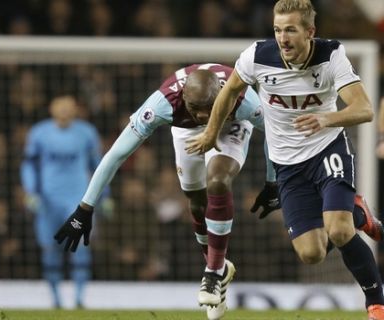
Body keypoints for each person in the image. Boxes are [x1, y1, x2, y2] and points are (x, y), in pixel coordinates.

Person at [185, 1, 384, 319]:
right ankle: (359, 214)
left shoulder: (331, 55)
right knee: (311, 254)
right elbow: (229, 91)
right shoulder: (257, 56)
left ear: (310, 32)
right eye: (278, 30)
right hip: (288, 166)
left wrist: (326, 119)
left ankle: (376, 303)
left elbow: (365, 109)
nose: (282, 38)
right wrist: (210, 134)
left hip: (327, 151)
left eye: (290, 29)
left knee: (339, 231)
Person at [53, 63, 281, 320]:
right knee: (196, 202)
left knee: (217, 180)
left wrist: (272, 182)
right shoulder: (163, 103)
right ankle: (217, 267)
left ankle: (214, 273)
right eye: (197, 108)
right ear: (184, 98)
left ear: (220, 92)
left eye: (209, 107)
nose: (205, 116)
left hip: (230, 122)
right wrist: (85, 208)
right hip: (186, 131)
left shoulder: (242, 99)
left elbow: (276, 134)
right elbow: (116, 154)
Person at [20, 95, 103, 308]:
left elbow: (99, 166)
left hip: (78, 201)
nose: (65, 110)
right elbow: (29, 165)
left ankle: (79, 299)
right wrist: (31, 192)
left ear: (75, 109)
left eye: (69, 107)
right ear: (52, 109)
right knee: (50, 249)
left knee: (81, 248)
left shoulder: (87, 133)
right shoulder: (39, 133)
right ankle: (55, 299)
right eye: (61, 106)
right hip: (48, 201)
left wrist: (105, 194)